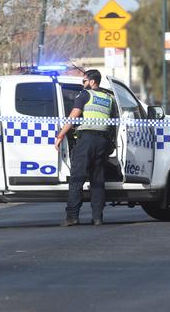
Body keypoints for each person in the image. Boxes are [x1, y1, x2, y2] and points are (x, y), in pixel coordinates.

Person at [55, 69, 113, 226]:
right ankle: (97, 218)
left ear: (92, 81)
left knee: (77, 178)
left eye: (84, 81)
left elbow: (73, 116)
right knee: (97, 180)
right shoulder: (108, 98)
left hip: (86, 139)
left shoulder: (85, 95)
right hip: (102, 141)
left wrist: (60, 135)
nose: (83, 84)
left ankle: (72, 216)